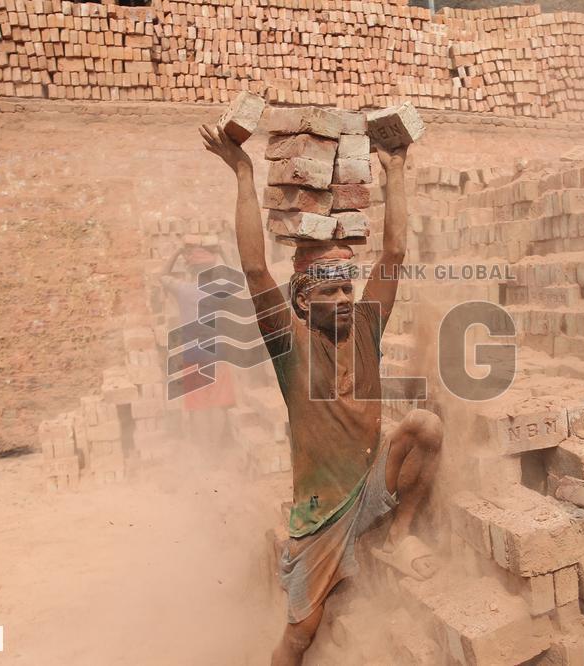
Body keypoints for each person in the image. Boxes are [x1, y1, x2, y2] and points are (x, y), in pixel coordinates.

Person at [200, 123, 444, 665]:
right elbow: (254, 267)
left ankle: (399, 533)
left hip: (369, 489)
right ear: (303, 301)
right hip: (322, 517)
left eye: (346, 288)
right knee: (298, 636)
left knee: (425, 427)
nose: (342, 297)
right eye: (328, 290)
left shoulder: (365, 326)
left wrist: (396, 171)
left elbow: (395, 255)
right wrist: (243, 173)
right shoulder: (291, 344)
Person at [160, 243, 236, 449]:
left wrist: (176, 251)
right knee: (219, 405)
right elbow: (238, 278)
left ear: (191, 270)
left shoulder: (183, 290)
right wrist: (222, 252)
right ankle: (218, 450)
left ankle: (208, 454)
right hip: (217, 354)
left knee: (199, 407)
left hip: (192, 355)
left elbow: (163, 276)